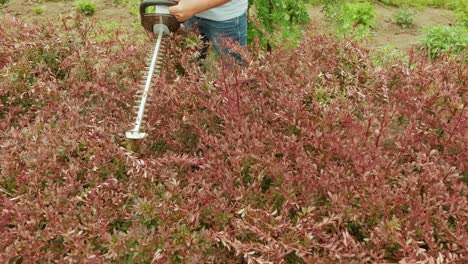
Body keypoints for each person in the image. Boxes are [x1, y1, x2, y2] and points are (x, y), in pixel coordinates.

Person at [169, 0, 248, 62]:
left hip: (226, 18)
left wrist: (193, 7)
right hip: (188, 13)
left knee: (235, 71)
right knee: (190, 65)